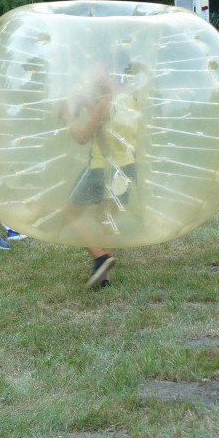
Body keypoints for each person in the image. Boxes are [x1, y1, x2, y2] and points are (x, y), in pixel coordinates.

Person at [59, 59, 139, 289]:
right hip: (126, 169)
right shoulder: (129, 99)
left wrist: (65, 115)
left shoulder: (105, 102)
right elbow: (108, 123)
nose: (93, 77)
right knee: (106, 219)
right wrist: (87, 105)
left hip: (101, 170)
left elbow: (83, 136)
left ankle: (100, 257)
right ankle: (104, 279)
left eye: (97, 71)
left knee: (70, 214)